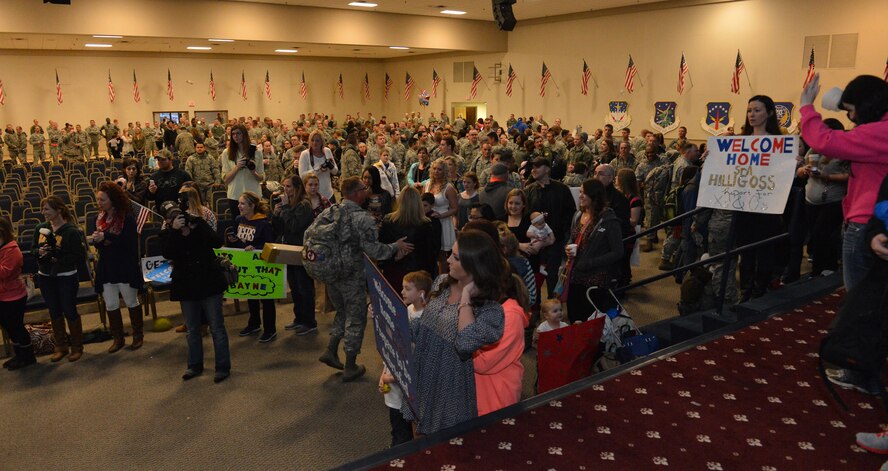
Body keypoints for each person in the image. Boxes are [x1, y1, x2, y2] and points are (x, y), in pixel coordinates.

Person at [403, 230, 507, 435]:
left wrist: (466, 297)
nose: (448, 259)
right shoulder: (441, 282)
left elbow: (465, 343)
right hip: (423, 375)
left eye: (456, 257)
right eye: (451, 253)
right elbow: (423, 328)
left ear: (474, 265)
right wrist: (392, 318)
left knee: (446, 451)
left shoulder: (490, 310)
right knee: (418, 442)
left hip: (449, 389)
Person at [314, 177, 413, 382]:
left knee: (342, 311)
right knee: (356, 318)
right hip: (351, 276)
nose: (366, 191)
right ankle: (350, 365)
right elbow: (375, 250)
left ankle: (331, 349)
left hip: (331, 274)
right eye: (363, 189)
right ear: (356, 193)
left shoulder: (330, 211)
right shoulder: (362, 218)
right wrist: (395, 247)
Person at [800, 74, 888, 290]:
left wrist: (806, 108)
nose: (851, 116)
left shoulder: (880, 131)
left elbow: (825, 141)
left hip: (867, 221)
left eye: (851, 109)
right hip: (872, 219)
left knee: (860, 297)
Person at [160, 201, 231, 383]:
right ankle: (194, 365)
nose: (179, 220)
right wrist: (175, 231)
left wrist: (198, 227)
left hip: (209, 282)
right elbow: (168, 253)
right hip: (186, 285)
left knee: (217, 327)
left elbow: (217, 242)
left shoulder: (198, 224)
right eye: (173, 219)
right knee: (192, 329)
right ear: (168, 221)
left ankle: (222, 367)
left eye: (180, 216)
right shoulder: (169, 233)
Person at [735, 96, 785, 301]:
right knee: (745, 253)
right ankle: (744, 291)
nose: (752, 115)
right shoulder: (739, 141)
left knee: (764, 251)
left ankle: (759, 291)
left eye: (757, 110)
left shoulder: (780, 143)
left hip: (767, 206)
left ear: (769, 113)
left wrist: (792, 163)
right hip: (743, 205)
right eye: (749, 111)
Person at [378, 270, 431, 447]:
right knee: (397, 425)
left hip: (407, 387)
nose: (402, 292)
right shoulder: (406, 310)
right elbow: (394, 346)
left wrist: (390, 377)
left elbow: (417, 360)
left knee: (407, 432)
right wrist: (383, 374)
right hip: (393, 384)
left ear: (421, 293)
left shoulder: (426, 318)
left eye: (407, 289)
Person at [91, 182, 145, 353]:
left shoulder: (126, 217)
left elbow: (128, 243)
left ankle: (137, 336)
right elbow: (103, 244)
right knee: (111, 303)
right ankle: (118, 338)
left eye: (103, 200)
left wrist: (106, 237)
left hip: (124, 264)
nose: (99, 203)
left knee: (130, 301)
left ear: (113, 200)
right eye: (98, 199)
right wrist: (100, 241)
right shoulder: (100, 218)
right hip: (107, 265)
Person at [33, 196, 87, 362]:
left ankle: (77, 347)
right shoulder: (40, 228)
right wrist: (39, 253)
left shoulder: (71, 231)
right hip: (45, 277)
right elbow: (33, 249)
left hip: (66, 277)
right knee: (54, 311)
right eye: (42, 209)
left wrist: (59, 260)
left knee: (69, 310)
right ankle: (61, 346)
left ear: (59, 210)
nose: (43, 212)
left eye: (47, 209)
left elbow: (79, 256)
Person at [564, 179, 623, 323]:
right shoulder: (578, 215)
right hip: (575, 275)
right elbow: (571, 237)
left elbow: (618, 252)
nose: (580, 196)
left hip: (596, 279)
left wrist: (590, 262)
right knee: (574, 316)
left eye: (584, 193)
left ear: (595, 196)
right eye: (581, 193)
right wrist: (568, 248)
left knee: (590, 319)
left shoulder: (609, 220)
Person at [796, 119, 848, 276]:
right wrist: (803, 170)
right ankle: (827, 266)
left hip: (833, 199)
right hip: (811, 199)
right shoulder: (813, 149)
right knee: (817, 234)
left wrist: (828, 176)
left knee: (821, 233)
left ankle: (820, 269)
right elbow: (800, 170)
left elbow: (850, 176)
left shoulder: (843, 152)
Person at [473, 272, 529, 416]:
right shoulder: (490, 309)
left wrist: (459, 346)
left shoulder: (510, 316)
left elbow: (484, 362)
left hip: (496, 396)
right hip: (483, 393)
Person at [226, 192, 277, 343]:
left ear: (252, 206)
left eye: (242, 204)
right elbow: (238, 242)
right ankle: (254, 323)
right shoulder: (238, 220)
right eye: (239, 203)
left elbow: (270, 244)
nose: (239, 206)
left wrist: (255, 247)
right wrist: (233, 240)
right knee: (251, 294)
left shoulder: (263, 223)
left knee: (266, 298)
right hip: (247, 264)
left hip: (262, 265)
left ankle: (270, 329)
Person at [525, 157, 576, 298]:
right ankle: (535, 308)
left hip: (555, 240)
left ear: (547, 169)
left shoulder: (562, 189)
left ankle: (552, 305)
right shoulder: (529, 190)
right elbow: (524, 215)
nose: (533, 170)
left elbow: (570, 212)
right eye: (532, 167)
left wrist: (558, 233)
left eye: (537, 167)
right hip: (534, 241)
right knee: (535, 275)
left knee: (552, 275)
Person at [272, 175, 316, 335]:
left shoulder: (304, 205)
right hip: (289, 249)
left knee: (304, 287)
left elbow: (294, 226)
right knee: (295, 287)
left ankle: (309, 321)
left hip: (301, 249)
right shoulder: (290, 205)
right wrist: (276, 214)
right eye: (284, 186)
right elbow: (280, 229)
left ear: (297, 188)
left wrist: (285, 209)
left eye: (288, 186)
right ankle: (299, 319)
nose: (285, 189)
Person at [379, 187, 437, 294]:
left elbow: (381, 250)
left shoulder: (388, 221)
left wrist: (395, 257)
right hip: (418, 276)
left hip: (393, 272)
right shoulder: (426, 225)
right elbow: (431, 256)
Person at [0, 216, 35, 370]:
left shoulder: (12, 250)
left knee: (16, 327)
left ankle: (28, 357)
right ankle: (19, 355)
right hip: (2, 295)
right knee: (8, 327)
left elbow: (5, 273)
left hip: (13, 296)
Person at [221, 124, 264, 218]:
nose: (235, 136)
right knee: (237, 225)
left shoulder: (257, 152)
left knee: (256, 225)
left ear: (244, 134)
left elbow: (261, 178)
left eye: (238, 133)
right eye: (233, 134)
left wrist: (253, 171)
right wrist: (237, 167)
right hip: (235, 195)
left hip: (253, 195)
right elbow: (225, 179)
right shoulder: (226, 153)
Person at [423, 160, 458, 274]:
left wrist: (441, 215)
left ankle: (441, 281)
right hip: (428, 222)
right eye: (434, 169)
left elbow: (455, 208)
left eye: (439, 169)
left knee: (441, 256)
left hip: (443, 222)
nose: (436, 171)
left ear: (444, 171)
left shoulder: (449, 188)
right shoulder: (427, 184)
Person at [298, 130, 339, 202]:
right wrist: (318, 169)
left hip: (328, 194)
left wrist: (330, 165)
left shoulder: (327, 151)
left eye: (317, 140)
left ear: (322, 142)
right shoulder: (305, 154)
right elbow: (302, 176)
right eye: (312, 140)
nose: (314, 143)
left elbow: (335, 172)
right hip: (313, 196)